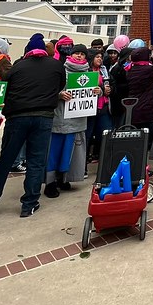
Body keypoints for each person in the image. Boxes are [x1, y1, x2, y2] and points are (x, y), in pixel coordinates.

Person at [0, 33, 66, 218]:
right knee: (36, 161)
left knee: (6, 159)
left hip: (17, 116)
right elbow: (61, 85)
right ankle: (29, 203)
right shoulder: (56, 65)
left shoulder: (18, 66)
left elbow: (6, 87)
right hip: (43, 117)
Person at [44, 44, 99, 197]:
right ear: (70, 55)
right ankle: (50, 182)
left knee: (70, 153)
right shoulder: (61, 70)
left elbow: (93, 93)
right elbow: (48, 90)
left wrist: (98, 91)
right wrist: (60, 94)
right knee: (54, 152)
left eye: (82, 54)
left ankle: (64, 178)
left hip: (78, 121)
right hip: (60, 119)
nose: (79, 56)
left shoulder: (89, 73)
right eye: (77, 53)